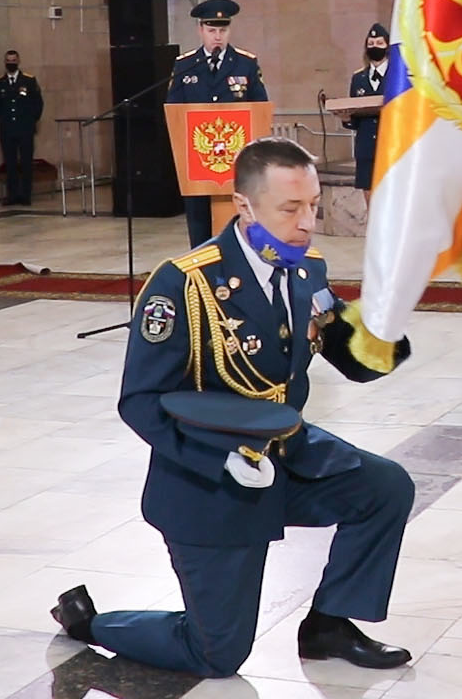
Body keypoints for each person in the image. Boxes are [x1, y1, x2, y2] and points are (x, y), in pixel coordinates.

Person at [50, 137, 415, 677]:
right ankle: (90, 624)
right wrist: (220, 460)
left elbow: (355, 363)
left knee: (386, 487)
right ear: (245, 206)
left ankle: (329, 625)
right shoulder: (184, 284)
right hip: (212, 480)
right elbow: (140, 402)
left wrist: (386, 319)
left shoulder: (304, 269)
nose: (307, 222)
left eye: (313, 204)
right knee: (217, 654)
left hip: (289, 455)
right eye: (291, 208)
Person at [167, 0, 269, 246]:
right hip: (198, 163)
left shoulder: (246, 63)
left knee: (237, 225)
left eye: (222, 30)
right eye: (212, 31)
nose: (217, 37)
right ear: (200, 30)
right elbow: (173, 111)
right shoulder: (185, 65)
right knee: (199, 226)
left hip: (235, 163)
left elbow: (260, 108)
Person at [344, 24, 390, 206]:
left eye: (379, 43)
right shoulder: (358, 78)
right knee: (371, 201)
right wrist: (346, 118)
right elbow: (354, 120)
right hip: (366, 147)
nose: (375, 47)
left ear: (388, 46)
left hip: (391, 145)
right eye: (371, 43)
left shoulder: (398, 77)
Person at [0, 49, 44, 205]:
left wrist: (30, 121)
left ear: (18, 61)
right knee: (10, 163)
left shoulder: (29, 80)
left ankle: (26, 195)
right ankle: (12, 195)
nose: (11, 63)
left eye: (14, 60)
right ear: (5, 62)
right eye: (8, 60)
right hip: (7, 130)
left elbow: (38, 104)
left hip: (25, 129)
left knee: (26, 163)